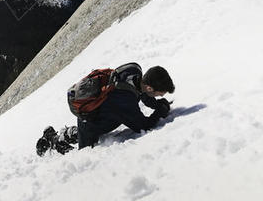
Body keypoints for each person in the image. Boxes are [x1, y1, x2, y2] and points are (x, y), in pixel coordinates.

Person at [36, 63, 175, 155]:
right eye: (159, 94)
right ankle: (52, 140)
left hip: (99, 111)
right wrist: (160, 111)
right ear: (150, 88)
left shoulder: (134, 71)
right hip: (89, 120)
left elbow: (143, 94)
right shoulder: (125, 100)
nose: (159, 96)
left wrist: (157, 104)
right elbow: (143, 126)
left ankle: (64, 135)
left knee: (93, 127)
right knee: (84, 155)